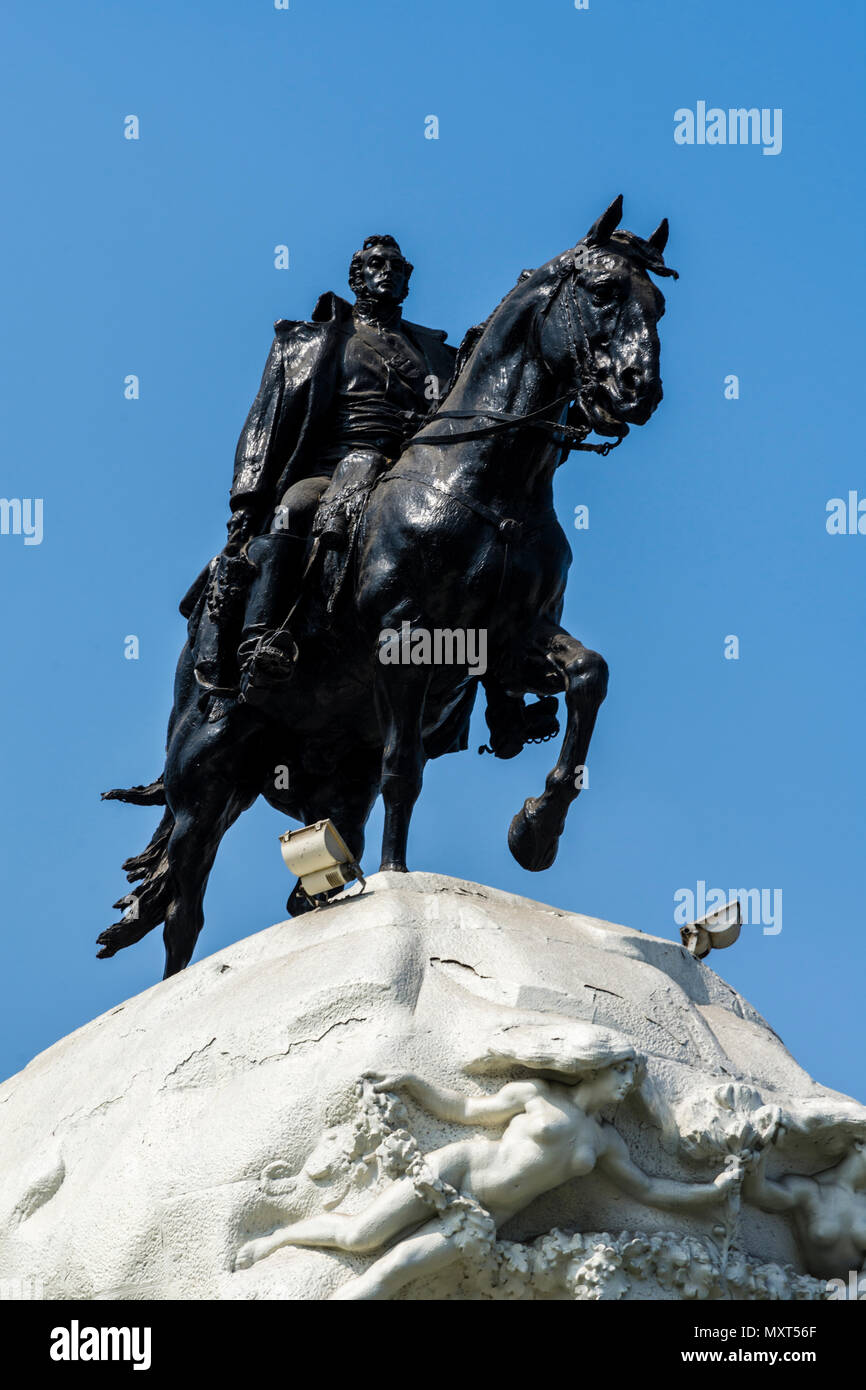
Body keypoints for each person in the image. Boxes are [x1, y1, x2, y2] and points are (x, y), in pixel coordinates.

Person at [234, 1030, 742, 1300]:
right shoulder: (537, 1094)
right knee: (360, 1238)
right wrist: (412, 1081)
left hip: (485, 1218)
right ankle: (277, 1238)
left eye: (634, 1079)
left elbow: (649, 1190)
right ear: (598, 1068)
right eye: (623, 1074)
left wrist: (713, 1192)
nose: (628, 1085)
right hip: (457, 1169)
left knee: (396, 1270)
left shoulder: (605, 1141)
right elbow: (464, 1110)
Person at [190, 234, 456, 700]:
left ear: (408, 281)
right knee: (292, 509)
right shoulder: (314, 341)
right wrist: (247, 500)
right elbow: (265, 423)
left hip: (411, 471)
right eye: (376, 264)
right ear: (356, 278)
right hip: (332, 468)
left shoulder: (435, 353)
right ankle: (262, 636)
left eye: (397, 266)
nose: (387, 272)